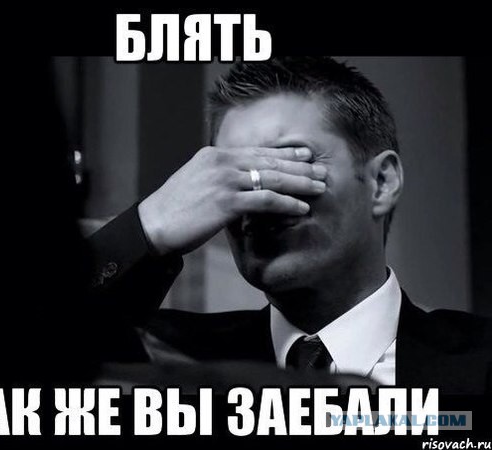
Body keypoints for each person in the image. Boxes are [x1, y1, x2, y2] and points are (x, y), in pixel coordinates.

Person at [87, 57, 491, 393]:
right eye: (232, 175)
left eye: (287, 162)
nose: (257, 198)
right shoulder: (167, 358)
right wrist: (148, 226)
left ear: (382, 183)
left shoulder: (480, 364)